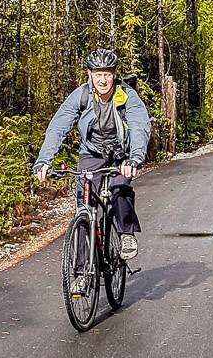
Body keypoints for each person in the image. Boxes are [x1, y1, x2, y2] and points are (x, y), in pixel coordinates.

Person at [33, 48, 151, 261]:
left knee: (119, 188)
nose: (103, 80)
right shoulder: (82, 95)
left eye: (107, 74)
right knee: (84, 208)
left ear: (114, 75)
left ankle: (126, 233)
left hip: (120, 154)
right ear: (90, 74)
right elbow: (58, 126)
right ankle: (80, 274)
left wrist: (135, 158)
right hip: (92, 153)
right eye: (98, 74)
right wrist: (43, 161)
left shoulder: (126, 96)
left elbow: (139, 126)